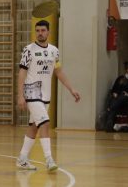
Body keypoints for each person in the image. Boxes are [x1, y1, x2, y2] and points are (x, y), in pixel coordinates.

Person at [16, 20, 81, 171]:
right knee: (44, 123)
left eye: (43, 30)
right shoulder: (28, 50)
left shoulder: (54, 51)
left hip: (45, 94)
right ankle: (49, 159)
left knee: (34, 126)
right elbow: (22, 73)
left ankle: (22, 158)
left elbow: (58, 72)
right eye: (37, 30)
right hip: (32, 92)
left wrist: (72, 89)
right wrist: (20, 95)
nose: (40, 33)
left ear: (48, 32)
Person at [100, 61, 128, 132]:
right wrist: (115, 93)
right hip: (117, 98)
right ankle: (110, 123)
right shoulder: (120, 78)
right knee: (117, 99)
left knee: (122, 97)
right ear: (126, 69)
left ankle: (110, 110)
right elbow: (114, 89)